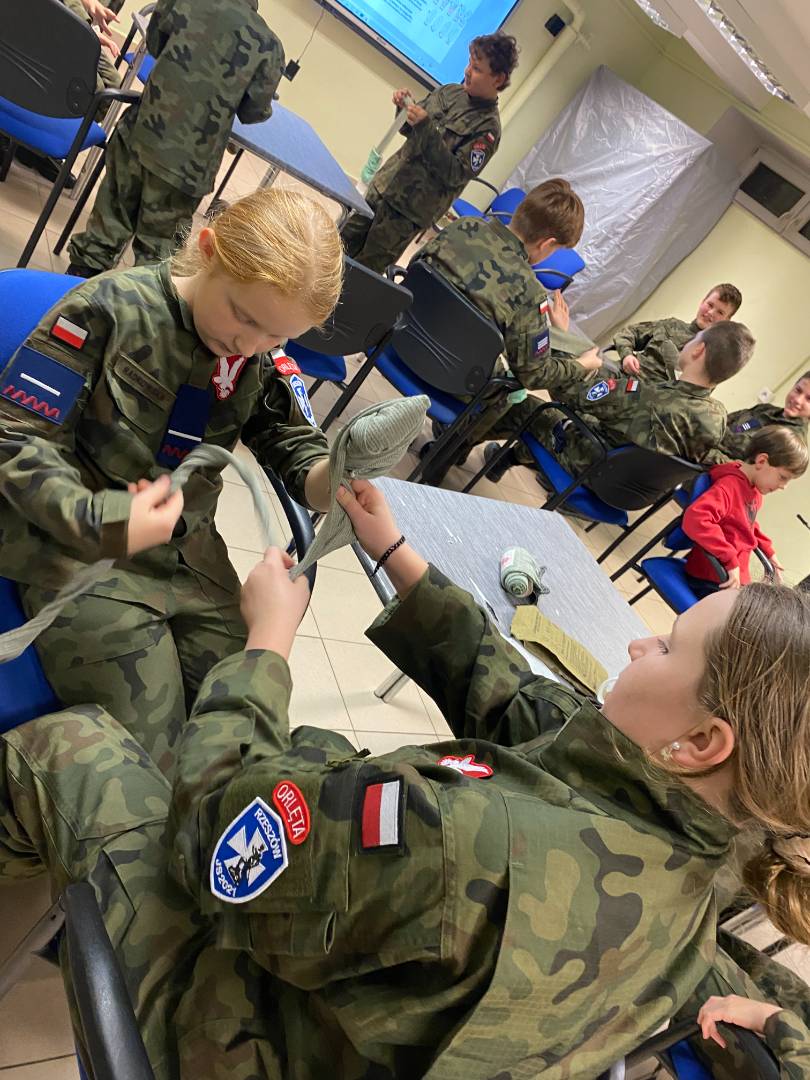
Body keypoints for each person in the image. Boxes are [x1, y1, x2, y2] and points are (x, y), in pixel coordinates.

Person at [1, 479, 810, 1078]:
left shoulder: (459, 835)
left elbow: (215, 832)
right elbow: (532, 711)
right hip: (363, 1032)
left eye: (667, 647)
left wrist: (266, 645)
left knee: (68, 743)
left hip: (240, 1035)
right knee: (308, 746)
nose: (639, 646)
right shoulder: (693, 882)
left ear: (701, 741)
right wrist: (397, 556)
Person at [0, 188, 342, 773]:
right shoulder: (106, 312)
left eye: (277, 338)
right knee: (157, 768)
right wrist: (104, 519)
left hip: (190, 560)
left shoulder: (255, 353)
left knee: (245, 735)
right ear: (208, 250)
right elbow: (16, 438)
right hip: (87, 556)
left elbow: (287, 435)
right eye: (244, 317)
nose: (250, 345)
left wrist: (331, 478)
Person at [66, 0, 286, 277]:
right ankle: (136, 301)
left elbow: (156, 46)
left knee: (103, 232)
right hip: (188, 167)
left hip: (138, 136)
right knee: (157, 258)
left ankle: (75, 290)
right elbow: (253, 112)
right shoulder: (269, 46)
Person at [484, 320, 756, 482]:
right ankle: (505, 459)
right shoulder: (716, 418)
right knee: (567, 416)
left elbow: (575, 396)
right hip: (626, 484)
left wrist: (566, 341)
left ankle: (460, 448)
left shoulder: (648, 398)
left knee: (524, 404)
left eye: (694, 339)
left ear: (698, 350)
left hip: (591, 461)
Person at [341, 32, 519, 275]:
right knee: (337, 245)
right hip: (385, 185)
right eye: (469, 63)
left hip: (406, 212)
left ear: (498, 79)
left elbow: (455, 174)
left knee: (363, 272)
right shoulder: (450, 92)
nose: (467, 71)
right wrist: (403, 109)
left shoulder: (488, 130)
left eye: (477, 69)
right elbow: (408, 129)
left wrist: (425, 127)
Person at [682, 426, 808, 599]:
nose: (783, 486)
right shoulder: (730, 486)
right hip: (713, 577)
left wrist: (769, 551)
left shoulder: (754, 491)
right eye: (783, 477)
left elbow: (745, 524)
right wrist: (729, 559)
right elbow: (696, 519)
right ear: (761, 461)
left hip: (730, 577)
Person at [612, 283, 743, 381]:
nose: (711, 313)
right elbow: (628, 333)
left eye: (720, 312)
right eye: (710, 305)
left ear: (727, 320)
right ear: (702, 302)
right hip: (624, 375)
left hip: (649, 400)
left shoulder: (711, 358)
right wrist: (627, 355)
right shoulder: (671, 325)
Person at [709, 370, 810, 463]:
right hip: (707, 447)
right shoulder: (765, 409)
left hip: (717, 467)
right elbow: (725, 420)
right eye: (798, 390)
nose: (798, 400)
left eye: (809, 399)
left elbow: (747, 467)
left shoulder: (792, 443)